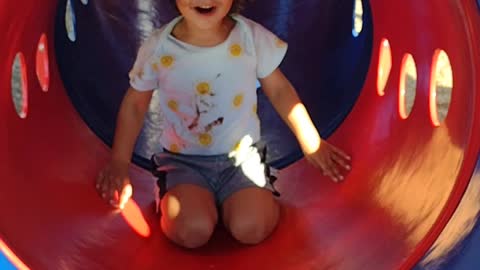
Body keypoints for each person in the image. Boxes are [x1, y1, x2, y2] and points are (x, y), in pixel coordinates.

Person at [96, 0, 351, 249]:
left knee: (252, 228)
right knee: (191, 231)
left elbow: (281, 91)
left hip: (241, 160)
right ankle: (180, 196)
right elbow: (135, 105)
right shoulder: (159, 48)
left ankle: (239, 200)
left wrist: (311, 143)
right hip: (183, 162)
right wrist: (120, 162)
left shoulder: (250, 38)